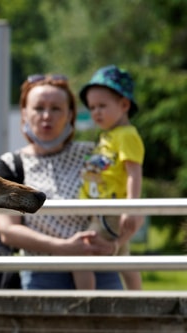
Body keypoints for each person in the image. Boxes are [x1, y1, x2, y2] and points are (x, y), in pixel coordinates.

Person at [0, 73, 122, 290]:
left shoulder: (94, 155)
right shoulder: (12, 164)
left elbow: (118, 203)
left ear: (70, 114)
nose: (47, 116)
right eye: (38, 108)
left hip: (98, 265)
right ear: (24, 113)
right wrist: (63, 247)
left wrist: (114, 244)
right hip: (43, 271)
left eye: (56, 109)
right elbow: (8, 230)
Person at [75, 65, 145, 290]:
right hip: (100, 208)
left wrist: (130, 208)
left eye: (102, 106)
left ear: (124, 105)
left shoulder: (126, 135)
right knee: (122, 257)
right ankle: (139, 299)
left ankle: (87, 302)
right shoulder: (108, 136)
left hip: (113, 209)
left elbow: (134, 172)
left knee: (81, 254)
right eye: (92, 107)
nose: (96, 112)